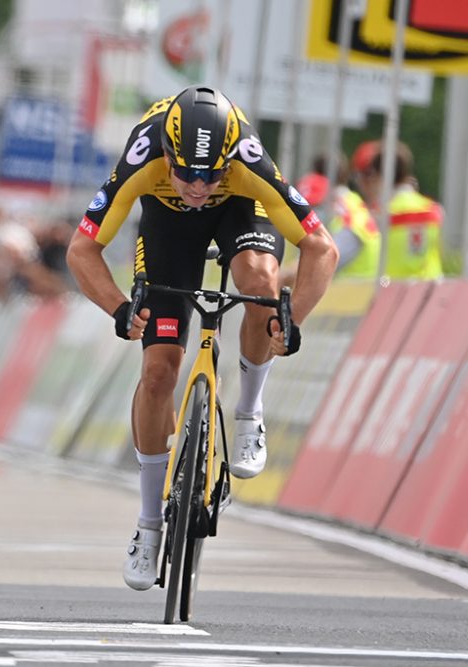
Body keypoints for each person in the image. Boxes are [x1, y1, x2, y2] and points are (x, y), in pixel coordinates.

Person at [66, 85, 338, 591]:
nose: (197, 184)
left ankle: (249, 410)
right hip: (167, 227)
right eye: (186, 172)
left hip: (240, 210)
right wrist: (120, 310)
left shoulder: (248, 161)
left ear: (229, 158)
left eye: (210, 172)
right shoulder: (143, 154)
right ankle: (149, 523)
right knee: (158, 371)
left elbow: (321, 248)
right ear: (166, 155)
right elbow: (82, 251)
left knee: (259, 285)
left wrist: (290, 318)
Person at [284, 153, 380, 284]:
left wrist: (281, 277)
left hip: (350, 296)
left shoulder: (348, 215)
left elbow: (325, 260)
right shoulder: (352, 205)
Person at [353, 141, 442, 280]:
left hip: (391, 292)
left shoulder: (377, 215)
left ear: (378, 175)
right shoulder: (434, 210)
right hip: (429, 291)